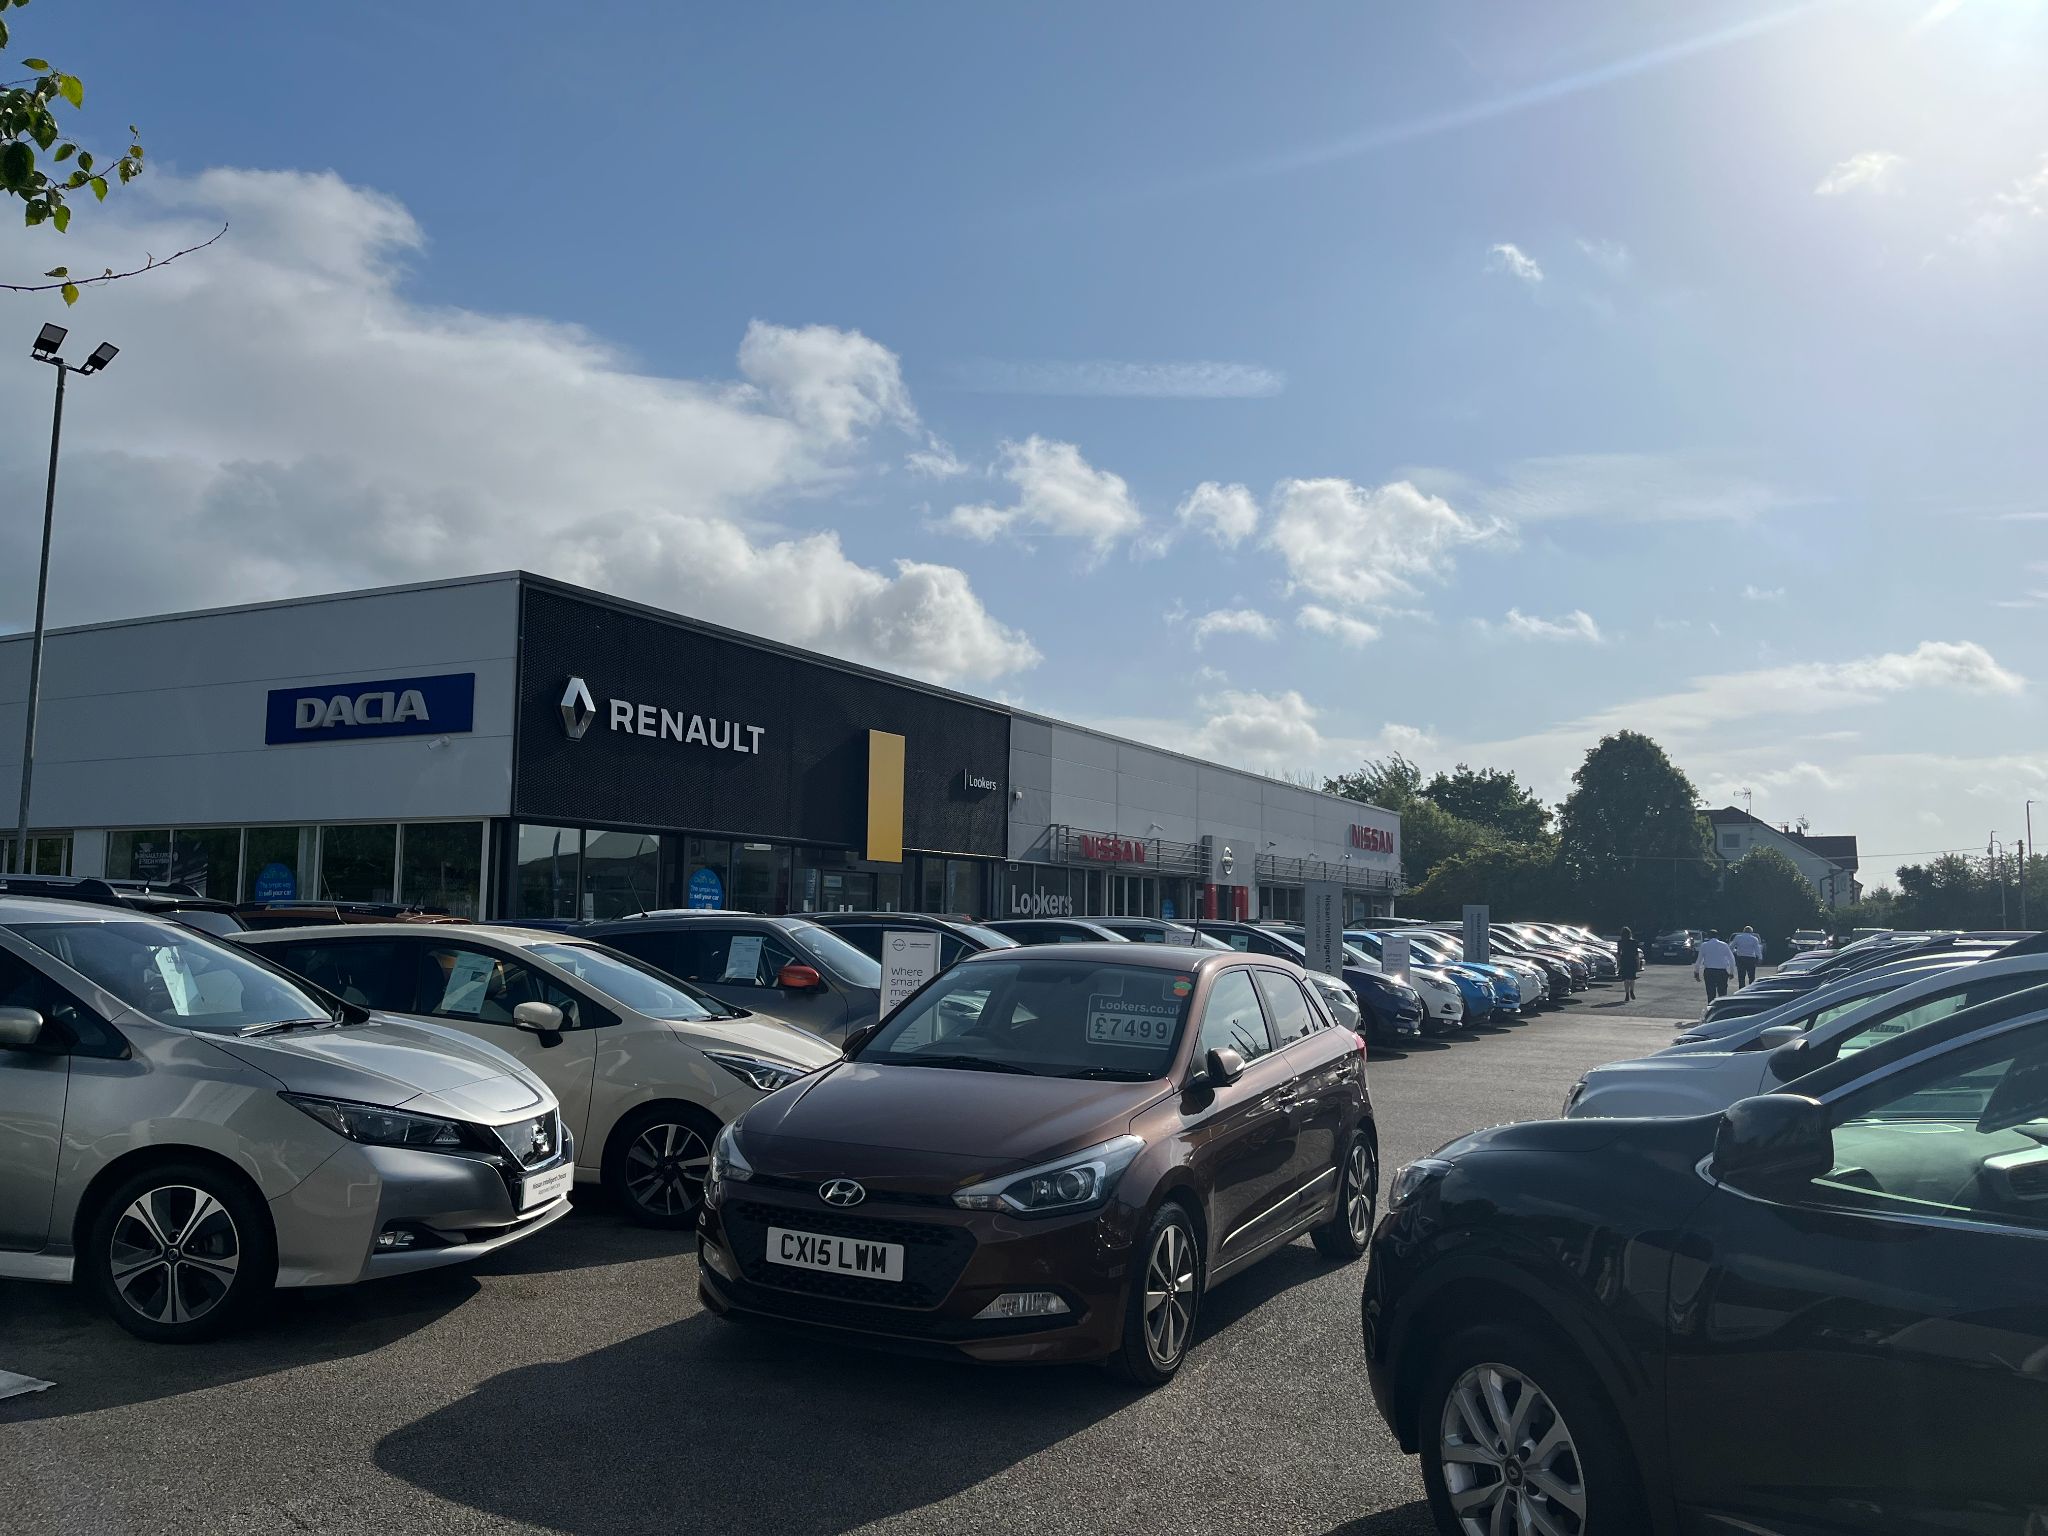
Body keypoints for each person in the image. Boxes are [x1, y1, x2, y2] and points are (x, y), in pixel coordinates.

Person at [1695, 929, 1736, 1002]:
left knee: (1710, 993)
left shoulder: (1704, 945)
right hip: (1722, 972)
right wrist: (1731, 972)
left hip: (1709, 972)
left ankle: (1711, 1009)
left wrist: (1696, 972)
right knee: (1722, 994)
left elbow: (1699, 960)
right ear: (1717, 936)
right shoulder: (1724, 945)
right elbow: (1731, 959)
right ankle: (1722, 1009)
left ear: (1708, 936)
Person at [1616, 926, 1641, 1004]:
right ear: (1630, 933)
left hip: (1624, 961)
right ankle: (1632, 991)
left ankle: (1626, 994)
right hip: (1632, 960)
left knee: (1626, 979)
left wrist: (1619, 963)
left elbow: (1618, 954)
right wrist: (1638, 963)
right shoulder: (1634, 942)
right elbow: (1636, 954)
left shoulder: (1620, 942)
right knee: (1632, 978)